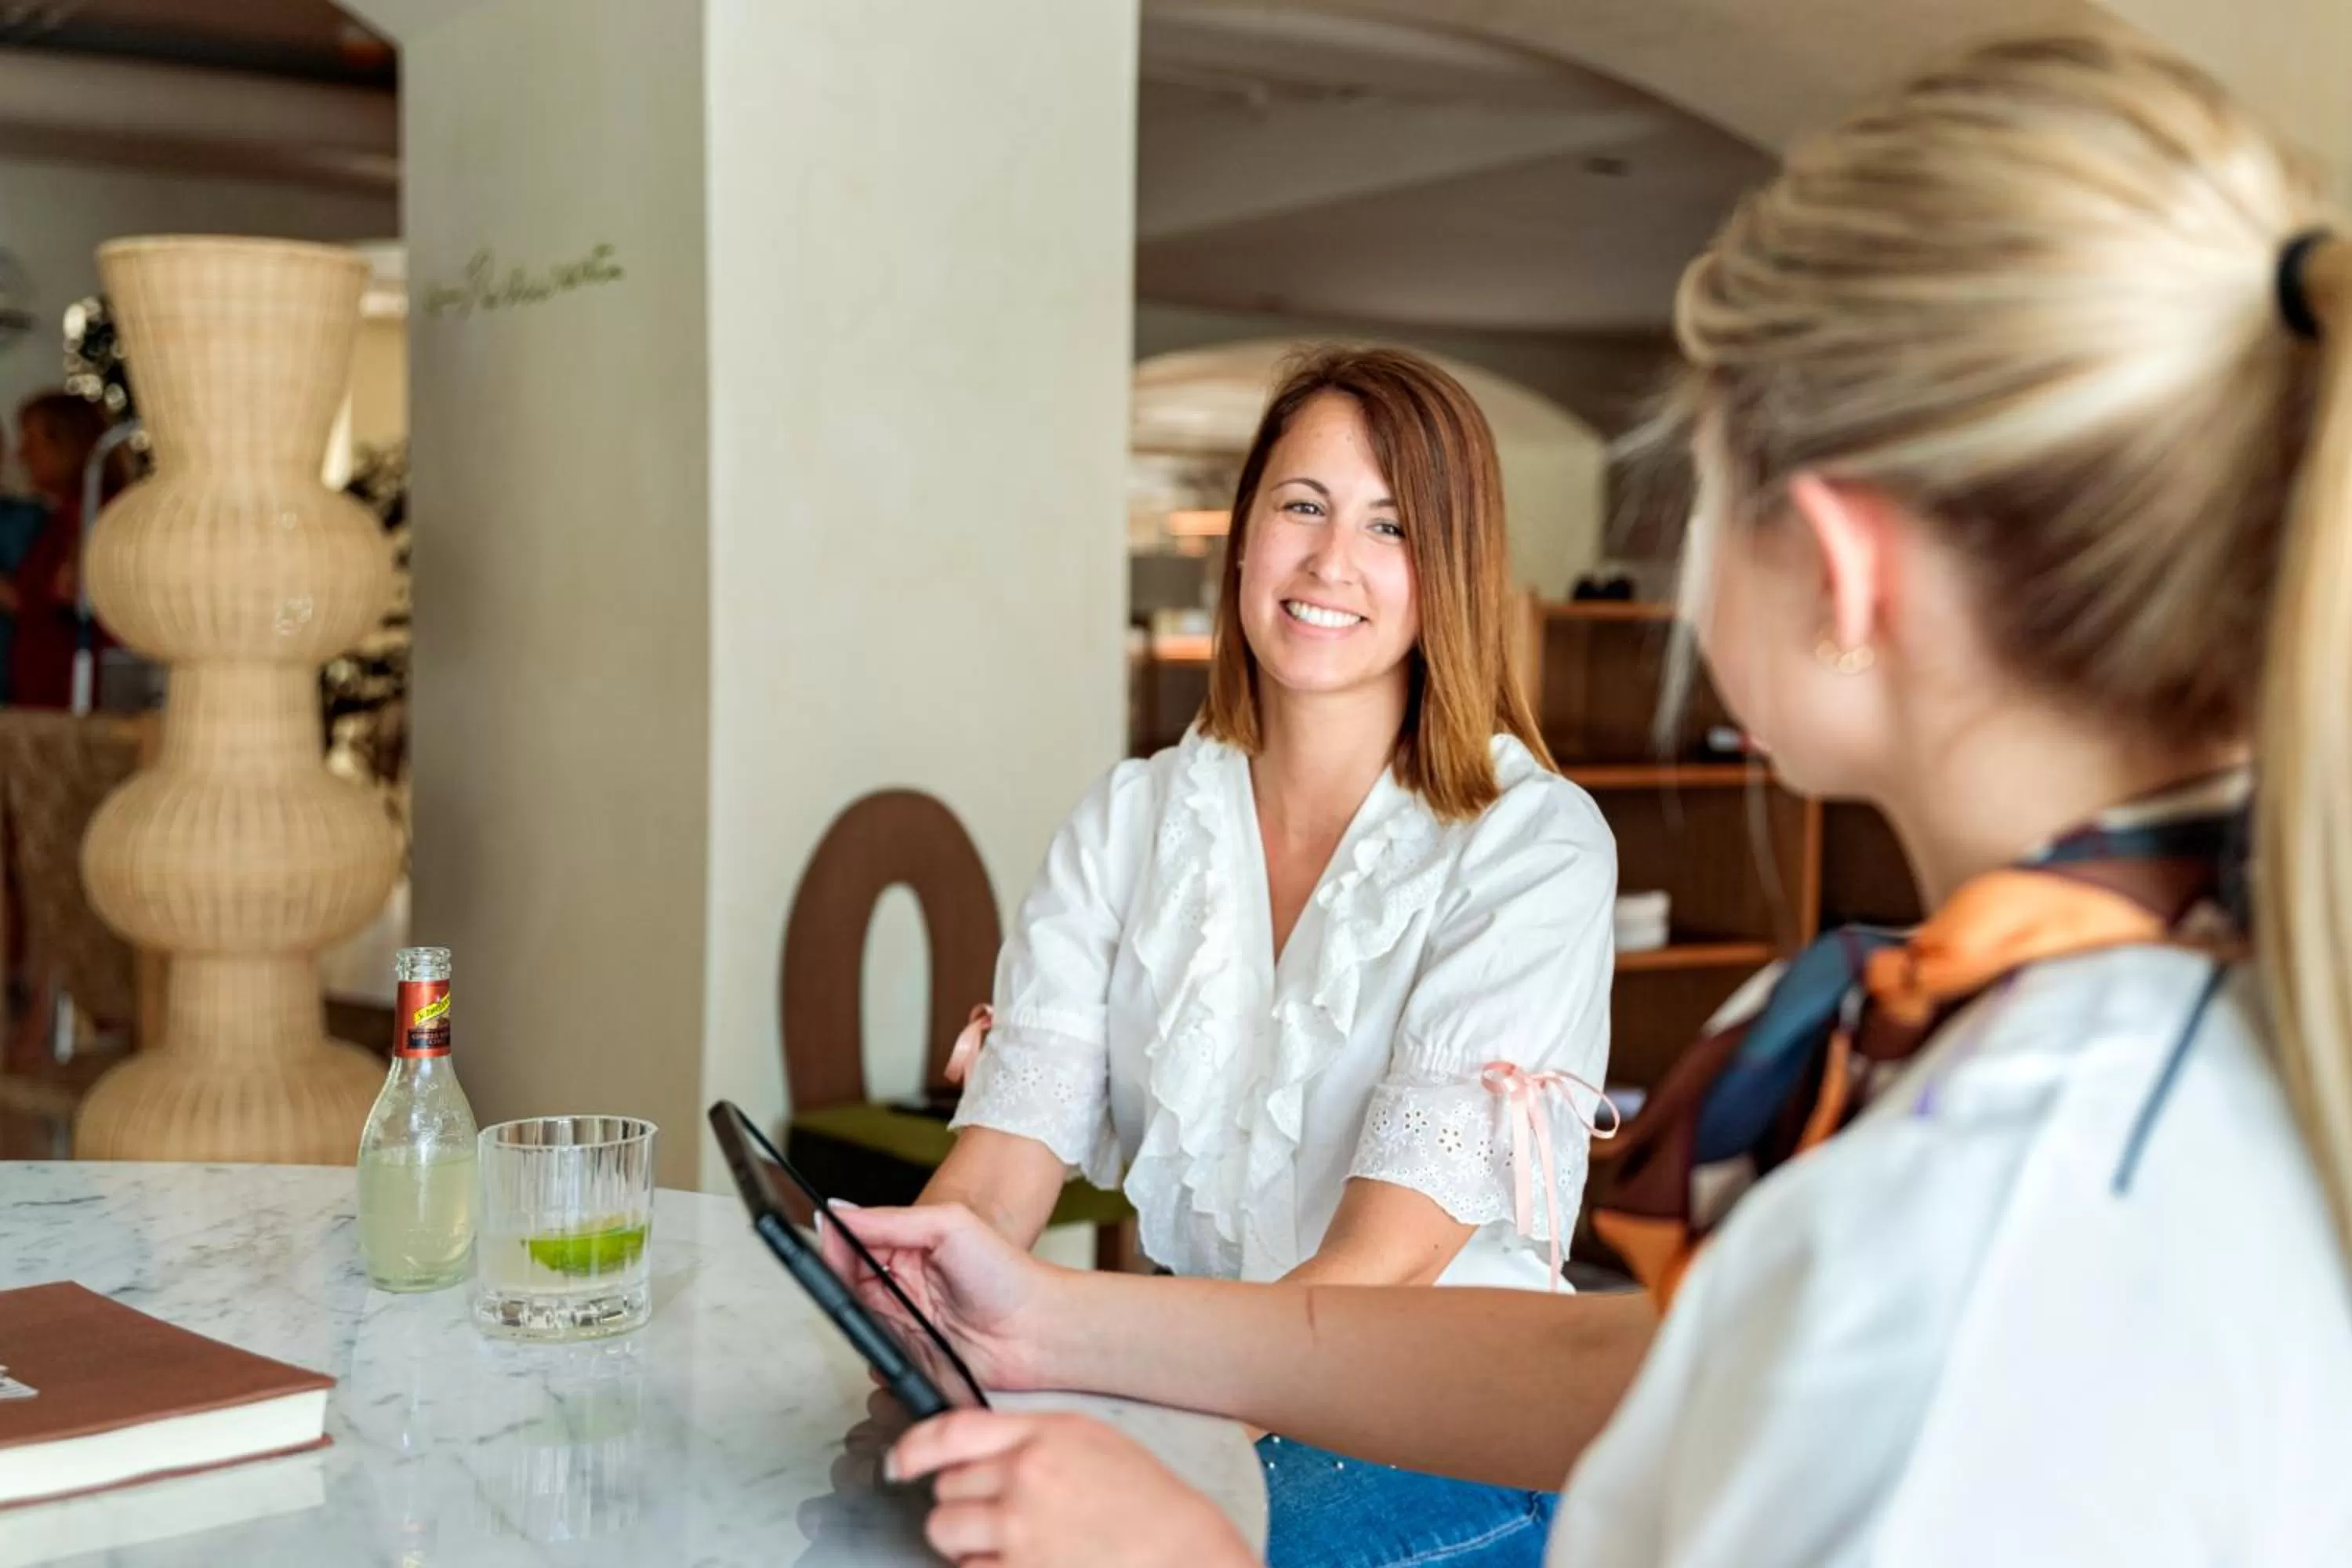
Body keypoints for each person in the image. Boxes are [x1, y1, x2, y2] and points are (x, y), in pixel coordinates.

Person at [827, 28, 2352, 1568]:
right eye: (1299, 507)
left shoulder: (1994, 1187)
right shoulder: (2115, 1045)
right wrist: (1049, 1317)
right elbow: (1641, 1372)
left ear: (1835, 562)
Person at [921, 347, 1618, 1563]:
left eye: (1391, 526)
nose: (1330, 563)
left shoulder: (1531, 843)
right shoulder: (1127, 823)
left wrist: (1146, 1438)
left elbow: (1385, 1267)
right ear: (1242, 535)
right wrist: (912, 1303)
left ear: (1447, 574)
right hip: (1203, 1396)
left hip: (1458, 1433)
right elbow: (1000, 1170)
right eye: (1302, 505)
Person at [9, 392, 118, 710]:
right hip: (46, 695)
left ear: (67, 444)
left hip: (75, 698)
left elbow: (69, 593)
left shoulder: (94, 513)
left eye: (33, 440)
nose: (22, 454)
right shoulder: (62, 516)